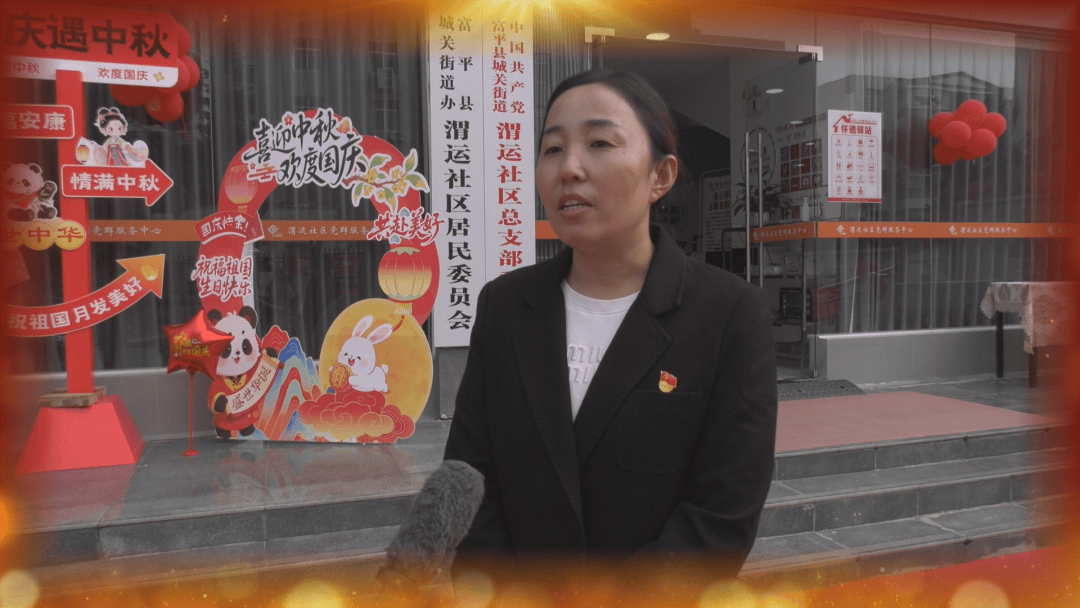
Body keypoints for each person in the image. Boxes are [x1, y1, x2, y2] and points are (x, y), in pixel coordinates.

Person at [443, 69, 777, 579]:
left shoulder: (729, 314)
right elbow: (467, 477)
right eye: (552, 149)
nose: (569, 168)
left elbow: (720, 518)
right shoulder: (505, 307)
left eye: (599, 143)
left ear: (661, 176)